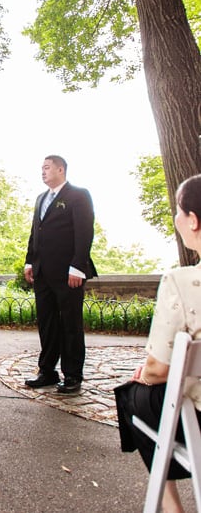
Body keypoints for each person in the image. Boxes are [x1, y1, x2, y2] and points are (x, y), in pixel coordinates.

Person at [115, 174, 201, 513]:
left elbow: (158, 368)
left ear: (193, 220)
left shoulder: (182, 281)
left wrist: (147, 373)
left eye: (178, 212)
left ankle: (171, 508)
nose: (176, 219)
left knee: (132, 397)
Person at [23, 155, 96, 394]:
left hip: (68, 273)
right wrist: (29, 261)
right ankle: (47, 371)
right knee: (47, 323)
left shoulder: (79, 195)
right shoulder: (41, 198)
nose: (42, 172)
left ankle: (73, 375)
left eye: (46, 168)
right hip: (42, 271)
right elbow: (36, 232)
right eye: (41, 168)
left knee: (70, 324)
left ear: (61, 169)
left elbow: (85, 232)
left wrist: (78, 266)